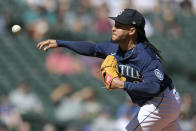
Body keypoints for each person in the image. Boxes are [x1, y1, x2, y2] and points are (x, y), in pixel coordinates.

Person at [37, 8, 181, 131]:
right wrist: (60, 43)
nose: (113, 27)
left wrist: (122, 84)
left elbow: (154, 87)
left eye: (119, 25)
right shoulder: (115, 47)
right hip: (157, 104)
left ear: (132, 30)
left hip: (160, 101)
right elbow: (92, 49)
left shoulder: (145, 55)